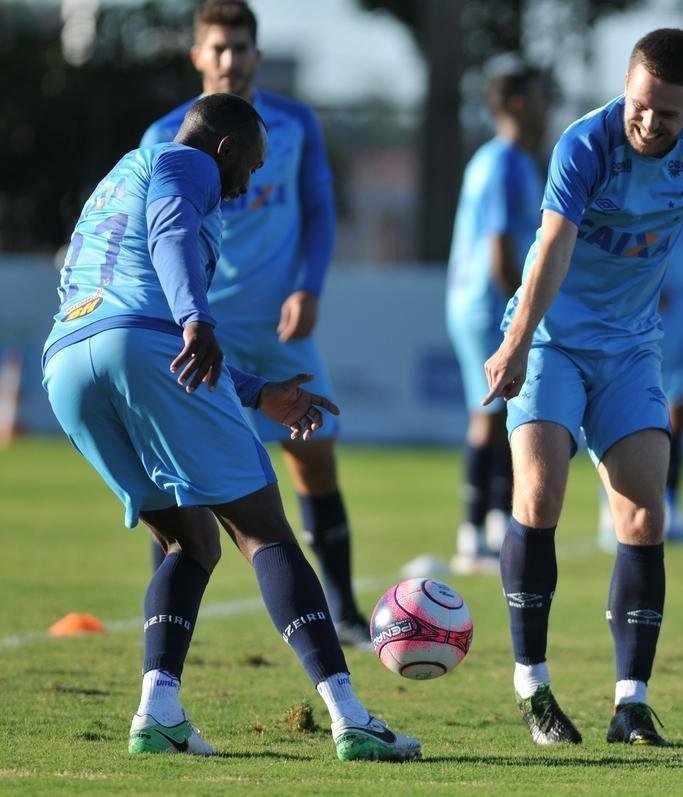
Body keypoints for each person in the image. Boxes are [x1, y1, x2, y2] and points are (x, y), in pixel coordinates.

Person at [42, 93, 418, 761]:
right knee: (264, 530)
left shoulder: (117, 176)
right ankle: (351, 716)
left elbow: (114, 287)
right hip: (143, 344)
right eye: (252, 164)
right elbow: (171, 241)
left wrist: (255, 389)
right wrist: (197, 318)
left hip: (69, 361)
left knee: (190, 542)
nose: (250, 182)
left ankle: (158, 712)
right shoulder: (188, 164)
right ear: (225, 150)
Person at [482, 29, 683, 747]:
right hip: (552, 338)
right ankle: (534, 687)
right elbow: (551, 244)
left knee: (645, 517)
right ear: (627, 85)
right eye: (640, 104)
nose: (647, 122)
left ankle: (630, 703)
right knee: (538, 497)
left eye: (667, 114)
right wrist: (516, 343)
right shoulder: (586, 145)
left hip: (632, 348)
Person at [141, 0, 372, 648]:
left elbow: (320, 209)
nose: (230, 60)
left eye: (240, 48)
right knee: (181, 488)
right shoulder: (162, 136)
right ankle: (167, 632)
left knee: (314, 456)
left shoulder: (294, 122)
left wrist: (308, 285)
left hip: (277, 326)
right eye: (217, 48)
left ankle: (347, 611)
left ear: (257, 56)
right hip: (198, 330)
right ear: (197, 57)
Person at [445, 65, 553, 575]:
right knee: (490, 414)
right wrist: (532, 313)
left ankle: (491, 528)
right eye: (539, 96)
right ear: (515, 104)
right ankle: (472, 535)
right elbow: (501, 255)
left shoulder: (514, 162)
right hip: (490, 304)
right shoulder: (503, 163)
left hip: (491, 303)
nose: (547, 105)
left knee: (504, 414)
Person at [598, 208, 683, 551]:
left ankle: (670, 504)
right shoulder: (652, 187)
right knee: (642, 406)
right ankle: (612, 507)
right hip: (654, 307)